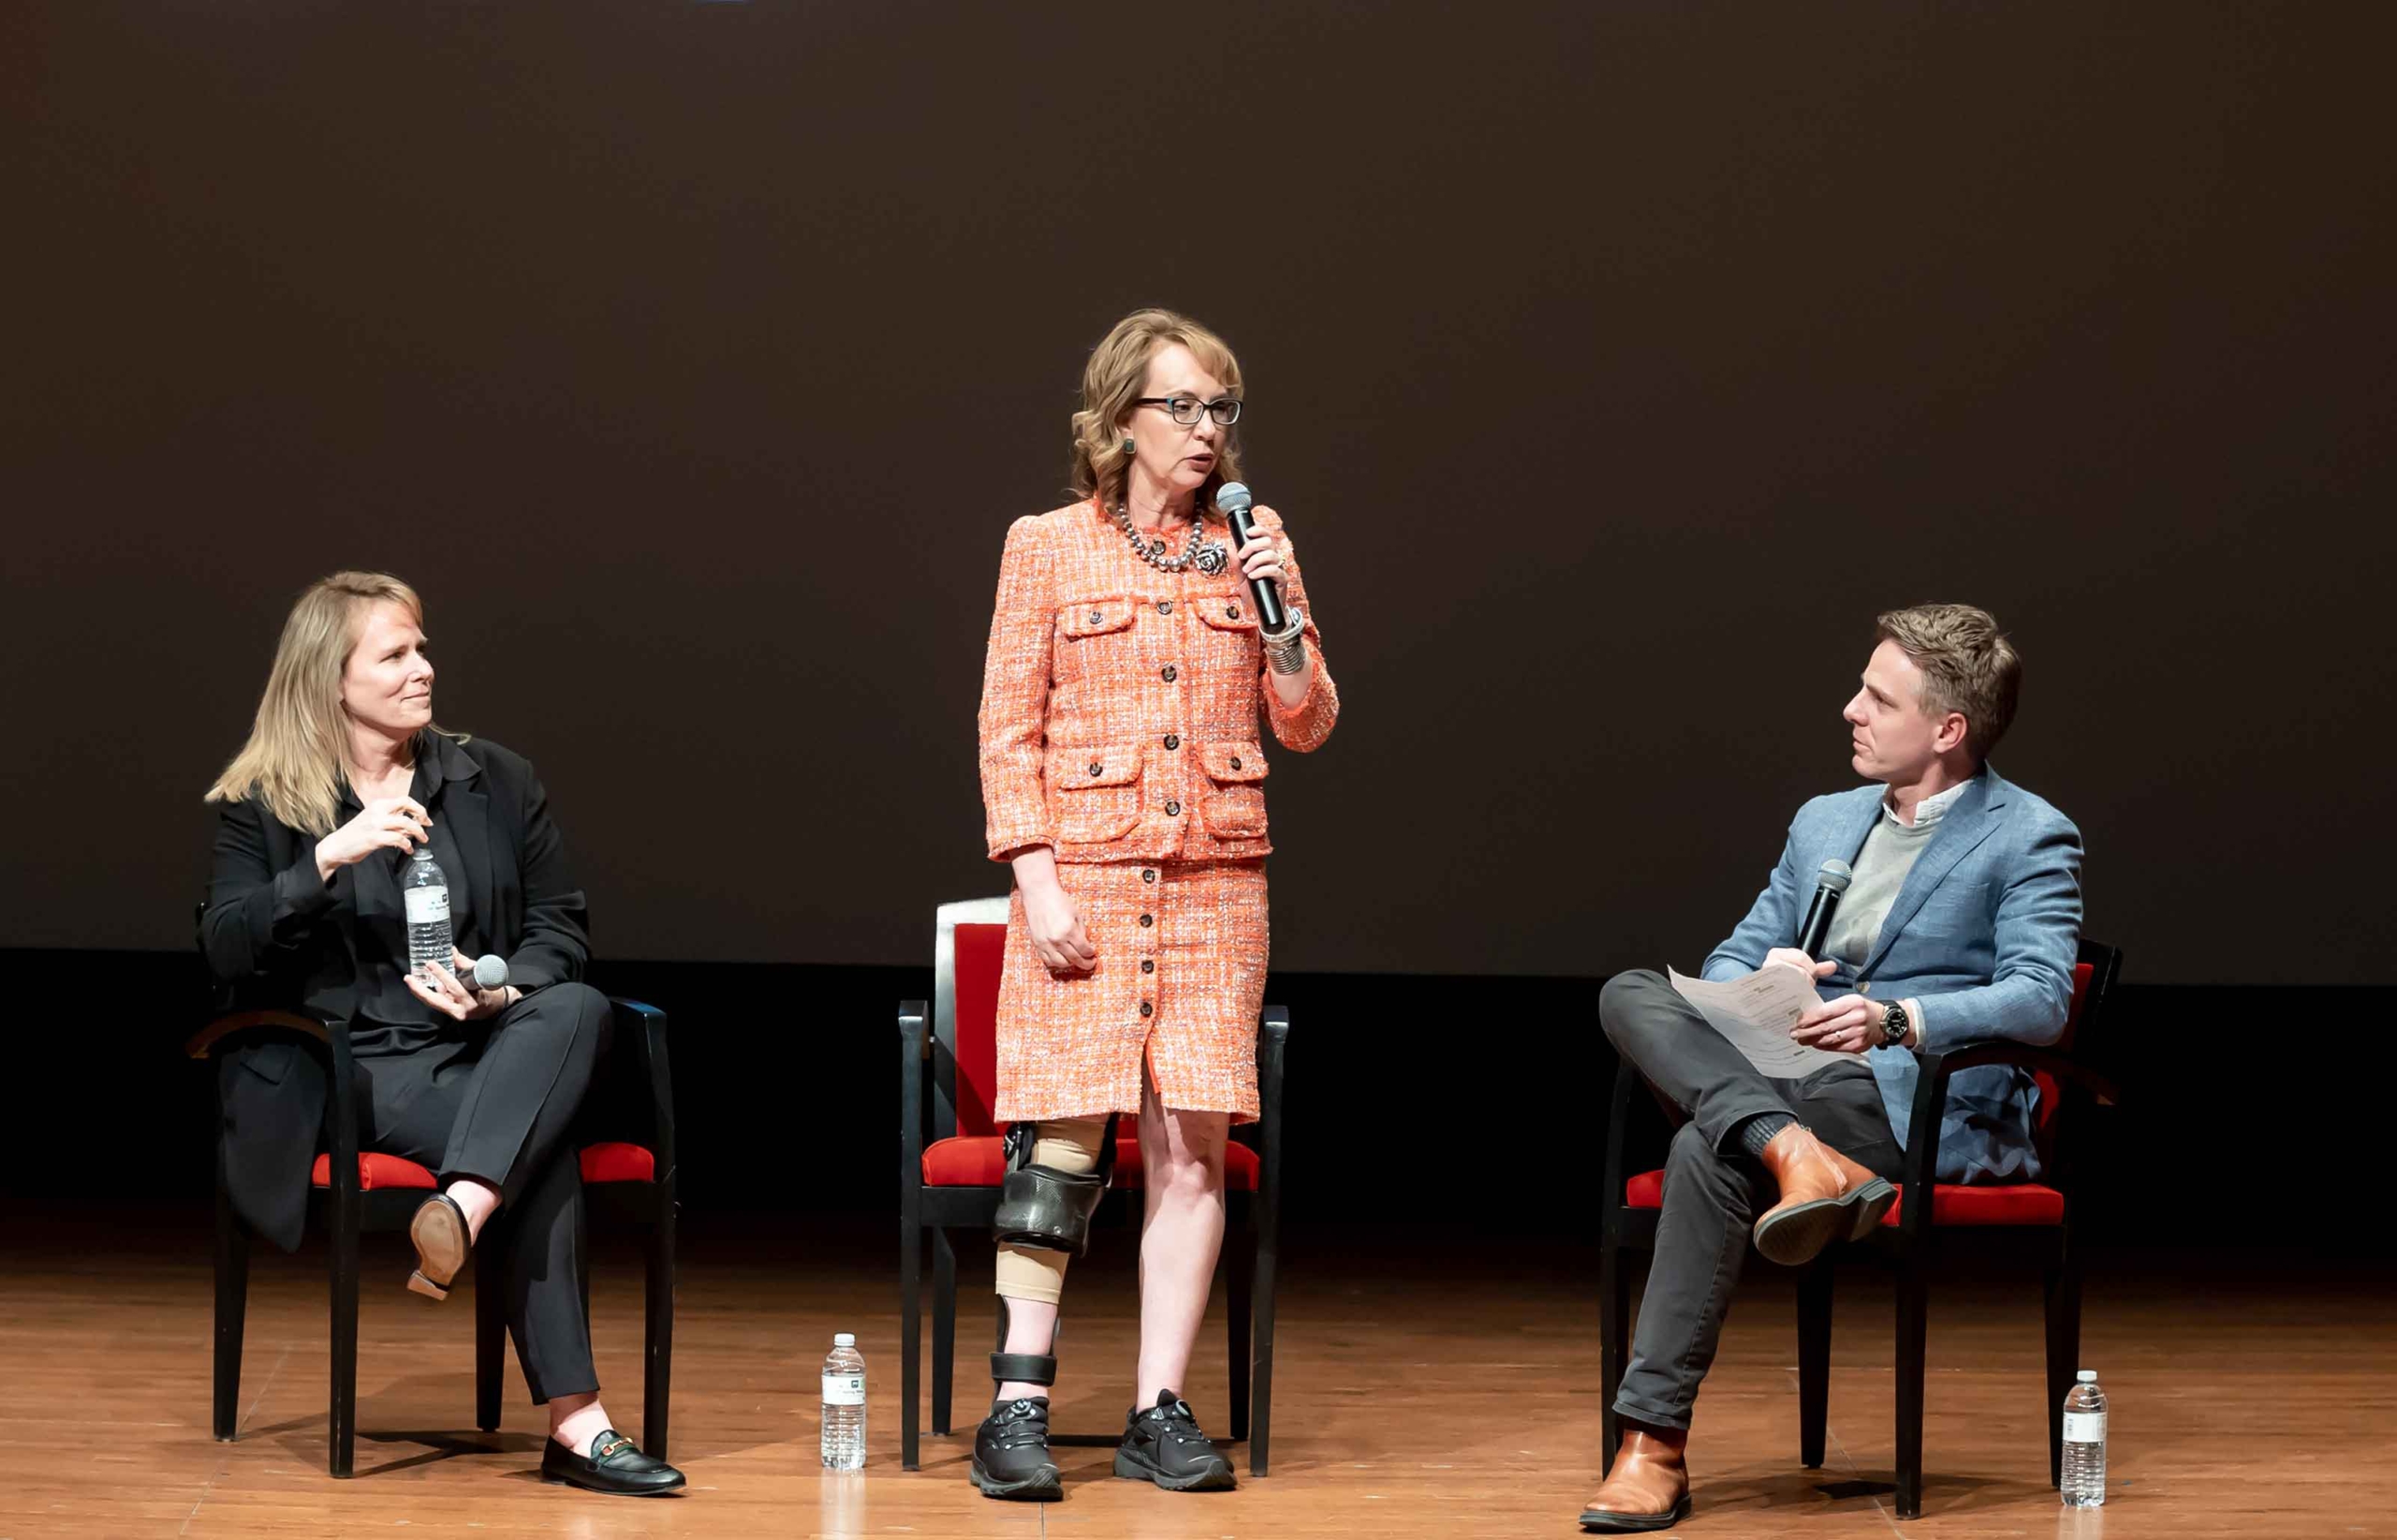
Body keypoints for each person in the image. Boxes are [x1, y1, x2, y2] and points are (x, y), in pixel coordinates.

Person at [1580, 604, 2082, 1533]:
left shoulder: (2029, 834)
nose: (1849, 708)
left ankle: (1650, 1446)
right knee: (1628, 992)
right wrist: (1764, 978)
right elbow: (1730, 959)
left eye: (1876, 697)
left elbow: (2040, 1000)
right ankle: (1786, 1148)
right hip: (1780, 1072)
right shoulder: (1825, 821)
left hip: (1901, 1108)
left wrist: (1896, 1019)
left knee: (1702, 1146)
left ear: (1946, 729)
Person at [200, 571, 683, 1497]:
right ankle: (578, 1425)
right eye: (395, 654)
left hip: (483, 1047)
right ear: (331, 680)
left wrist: (502, 995)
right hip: (351, 1067)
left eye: (422, 646)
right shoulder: (265, 800)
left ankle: (457, 1212)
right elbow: (223, 945)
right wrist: (325, 860)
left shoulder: (494, 777)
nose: (424, 668)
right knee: (537, 1145)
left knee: (573, 1007)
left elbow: (559, 931)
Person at [970, 308, 1338, 1500]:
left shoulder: (1254, 540)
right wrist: (1035, 880)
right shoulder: (1046, 545)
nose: (1205, 429)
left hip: (1218, 889)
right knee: (1061, 1143)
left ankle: (1157, 1409)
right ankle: (1016, 1409)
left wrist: (1283, 628)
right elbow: (1004, 728)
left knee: (1192, 1148)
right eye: (1181, 405)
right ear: (1117, 418)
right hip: (1079, 880)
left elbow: (1308, 720)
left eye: (1220, 407)